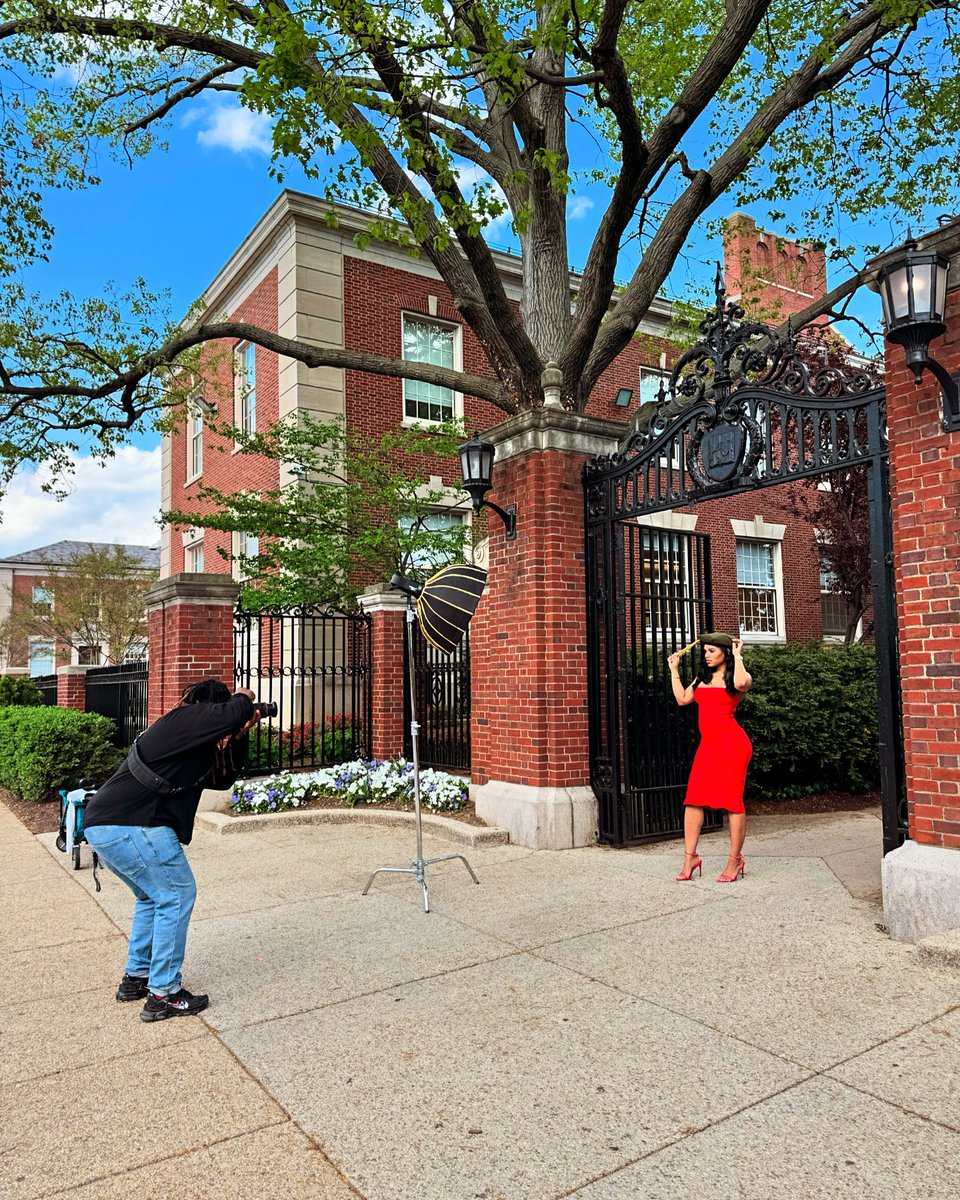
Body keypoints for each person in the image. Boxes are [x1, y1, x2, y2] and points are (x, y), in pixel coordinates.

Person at [83, 679, 261, 1021]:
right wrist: (246, 700)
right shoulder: (182, 720)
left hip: (108, 826)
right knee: (176, 896)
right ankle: (164, 993)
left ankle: (137, 977)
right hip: (134, 824)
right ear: (209, 708)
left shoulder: (187, 742)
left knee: (153, 898)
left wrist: (240, 734)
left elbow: (222, 779)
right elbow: (235, 708)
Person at [667, 633, 752, 883]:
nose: (706, 654)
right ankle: (690, 858)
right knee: (693, 799)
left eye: (712, 650)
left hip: (733, 745)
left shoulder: (737, 677)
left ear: (725, 652)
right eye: (705, 650)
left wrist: (738, 656)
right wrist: (674, 670)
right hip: (709, 746)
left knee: (733, 802)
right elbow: (683, 699)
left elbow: (742, 684)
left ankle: (735, 861)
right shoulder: (702, 678)